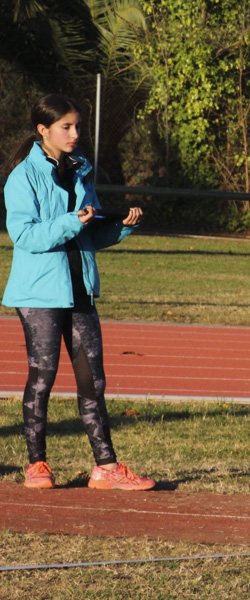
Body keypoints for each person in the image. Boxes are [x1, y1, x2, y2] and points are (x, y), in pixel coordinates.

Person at [2, 94, 155, 491]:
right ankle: (37, 465)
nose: (74, 134)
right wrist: (71, 221)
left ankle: (105, 467)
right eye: (66, 127)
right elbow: (25, 235)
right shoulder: (23, 177)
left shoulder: (82, 171)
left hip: (79, 288)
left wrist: (121, 225)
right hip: (39, 294)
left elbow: (89, 233)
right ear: (43, 131)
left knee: (93, 381)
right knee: (44, 376)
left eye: (77, 126)